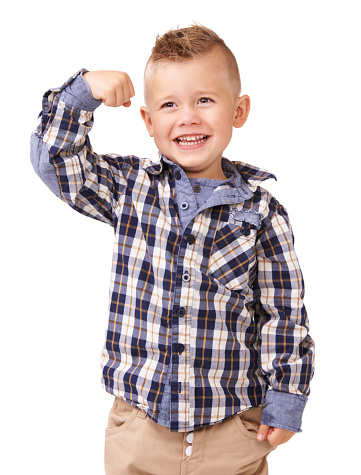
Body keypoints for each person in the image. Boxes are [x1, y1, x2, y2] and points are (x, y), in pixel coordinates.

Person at [30, 24, 315, 475]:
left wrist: (287, 399)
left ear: (238, 110)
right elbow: (58, 165)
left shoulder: (263, 213)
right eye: (168, 105)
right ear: (147, 121)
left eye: (205, 100)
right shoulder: (131, 188)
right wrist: (81, 94)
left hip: (231, 429)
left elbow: (283, 313)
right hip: (139, 427)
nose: (187, 117)